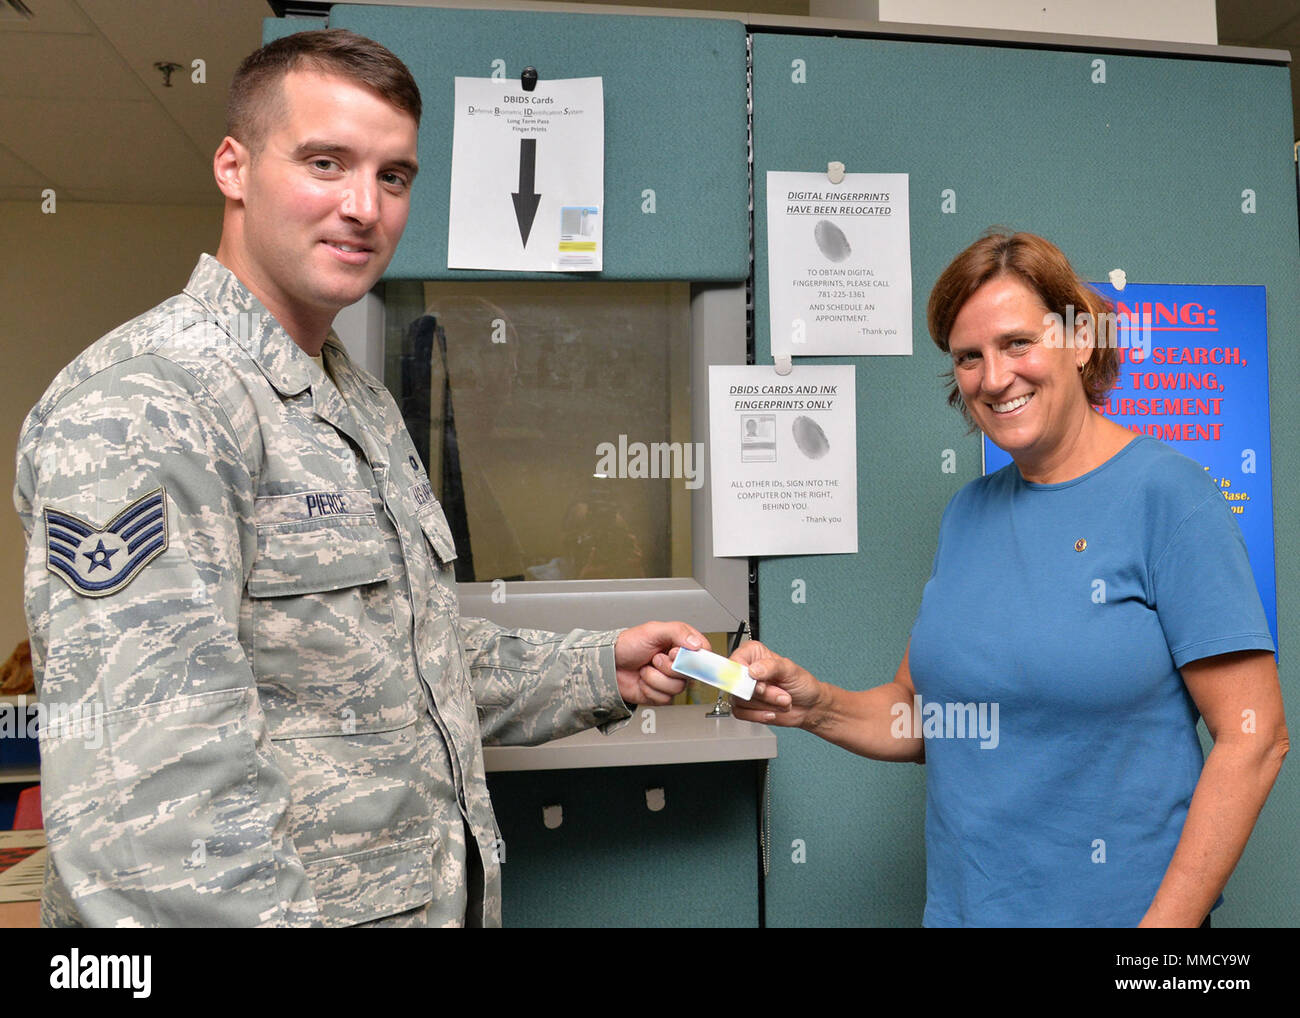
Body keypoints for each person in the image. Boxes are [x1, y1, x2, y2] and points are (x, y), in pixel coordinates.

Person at [13, 29, 705, 928]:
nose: (363, 207)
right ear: (233, 166)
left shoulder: (355, 401)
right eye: (326, 162)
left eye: (393, 176)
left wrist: (595, 667)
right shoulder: (151, 403)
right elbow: (155, 818)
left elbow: (397, 659)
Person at [724, 230, 1288, 927]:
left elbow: (1255, 738)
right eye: (969, 357)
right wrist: (813, 704)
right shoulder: (968, 514)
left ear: (1081, 340)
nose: (994, 378)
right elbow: (931, 716)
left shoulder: (1171, 496)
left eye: (1018, 343)